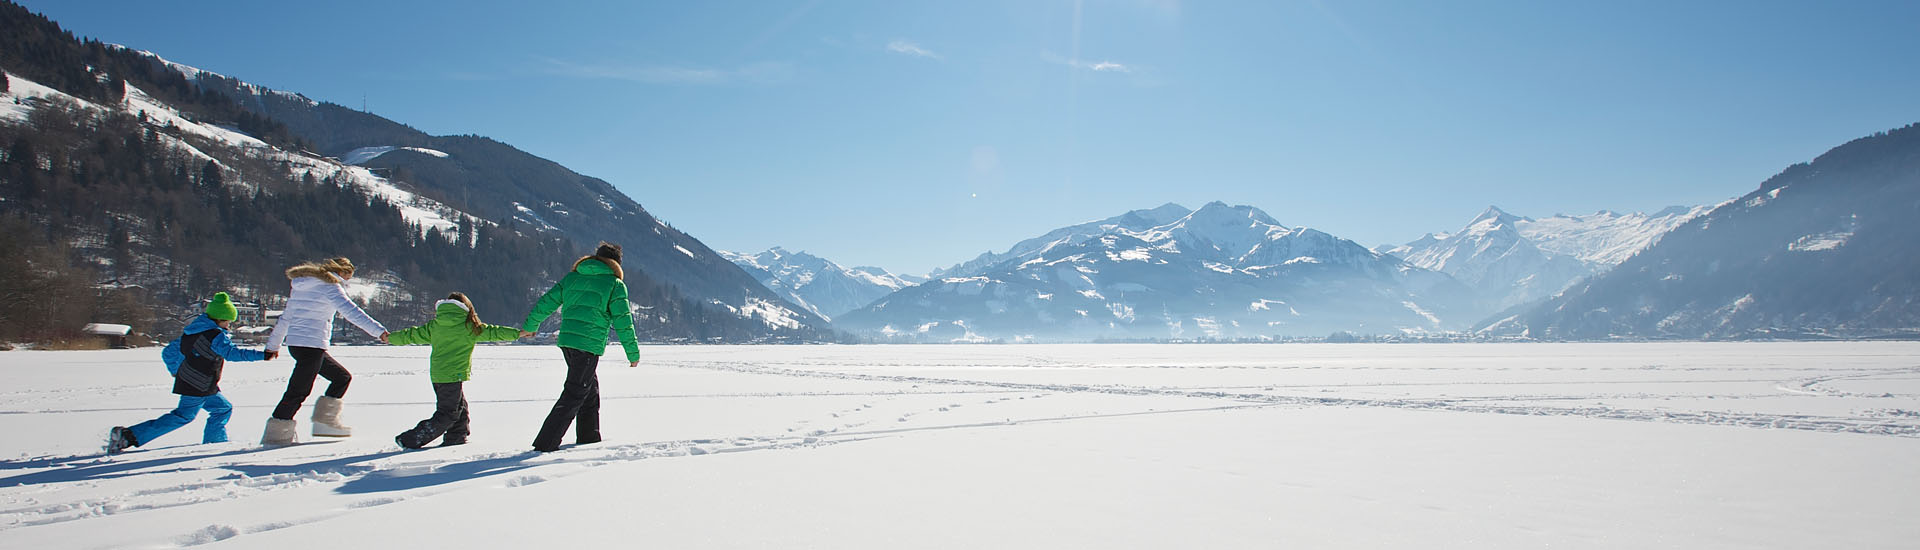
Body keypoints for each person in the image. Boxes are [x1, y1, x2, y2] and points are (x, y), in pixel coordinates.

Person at [108, 292, 276, 454]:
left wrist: (177, 372)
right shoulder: (214, 335)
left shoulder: (191, 332)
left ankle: (214, 443)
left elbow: (168, 352)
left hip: (199, 382)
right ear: (220, 319)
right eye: (228, 321)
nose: (229, 325)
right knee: (183, 416)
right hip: (199, 383)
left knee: (222, 408)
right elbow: (232, 354)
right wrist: (263, 355)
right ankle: (127, 436)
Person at [521, 242, 640, 452]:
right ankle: (546, 443)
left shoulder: (573, 277)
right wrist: (632, 353)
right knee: (575, 392)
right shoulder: (614, 284)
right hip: (588, 344)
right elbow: (623, 320)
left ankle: (589, 437)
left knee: (589, 388)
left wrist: (531, 325)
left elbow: (547, 301)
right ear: (616, 263)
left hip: (568, 341)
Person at [262, 257, 389, 445]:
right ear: (341, 272)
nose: (346, 283)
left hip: (299, 345)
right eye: (348, 278)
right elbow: (352, 312)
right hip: (311, 345)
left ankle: (325, 422)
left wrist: (273, 346)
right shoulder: (330, 286)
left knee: (341, 378)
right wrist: (379, 332)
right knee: (298, 391)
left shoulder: (301, 287)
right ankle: (277, 435)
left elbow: (286, 318)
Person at [385, 292, 523, 449]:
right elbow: (494, 332)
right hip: (453, 375)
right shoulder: (469, 327)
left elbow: (412, 334)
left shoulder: (435, 325)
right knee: (448, 413)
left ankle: (457, 436)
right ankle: (411, 439)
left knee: (460, 406)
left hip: (438, 374)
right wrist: (518, 334)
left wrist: (392, 338)